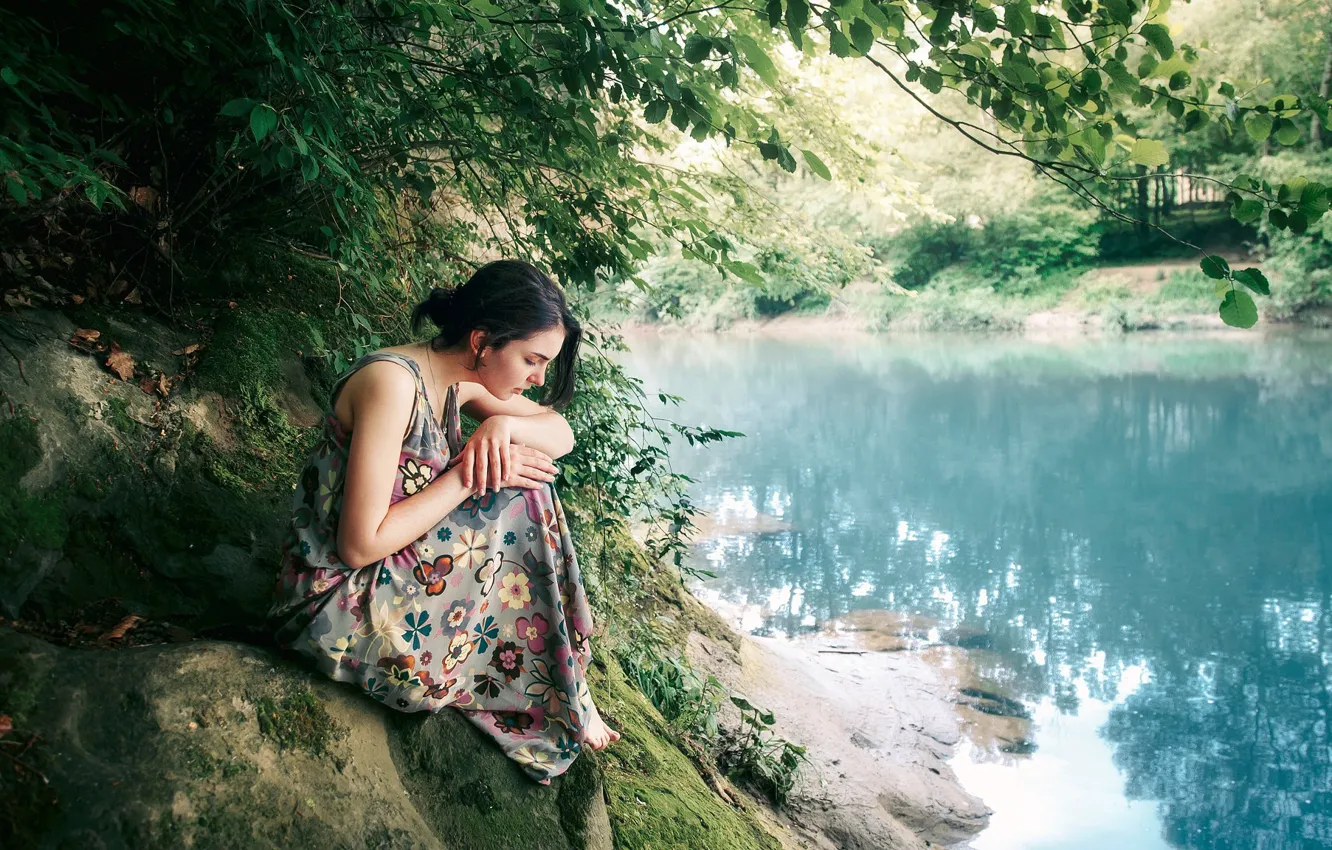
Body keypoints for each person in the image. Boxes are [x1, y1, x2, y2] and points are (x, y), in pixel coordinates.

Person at [268, 259, 619, 783]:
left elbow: (560, 434)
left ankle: (565, 683)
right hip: (334, 607)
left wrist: (500, 424)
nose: (539, 377)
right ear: (482, 341)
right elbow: (360, 545)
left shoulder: (456, 384)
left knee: (523, 473)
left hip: (388, 578)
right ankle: (560, 685)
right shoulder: (392, 383)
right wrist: (462, 479)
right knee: (515, 484)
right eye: (531, 359)